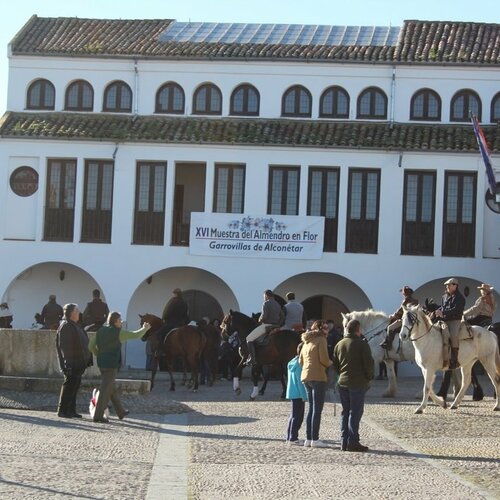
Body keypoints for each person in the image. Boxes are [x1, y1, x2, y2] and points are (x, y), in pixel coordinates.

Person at [89, 312, 151, 423]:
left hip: (102, 364)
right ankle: (97, 416)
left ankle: (120, 411)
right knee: (105, 391)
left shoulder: (100, 331)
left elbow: (90, 346)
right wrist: (144, 328)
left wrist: (98, 354)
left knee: (110, 387)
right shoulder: (119, 333)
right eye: (120, 319)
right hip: (111, 365)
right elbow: (135, 335)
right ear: (115, 321)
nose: (121, 321)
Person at [333, 318, 374, 452]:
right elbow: (368, 364)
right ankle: (353, 441)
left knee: (345, 412)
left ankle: (343, 441)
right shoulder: (362, 344)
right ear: (358, 330)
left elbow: (336, 365)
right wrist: (369, 377)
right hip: (357, 382)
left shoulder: (339, 344)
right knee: (355, 412)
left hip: (342, 382)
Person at [299, 320, 332, 448]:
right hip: (318, 376)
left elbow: (301, 361)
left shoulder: (306, 341)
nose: (327, 330)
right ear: (319, 329)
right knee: (317, 410)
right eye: (325, 328)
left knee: (311, 409)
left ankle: (308, 438)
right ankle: (315, 439)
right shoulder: (321, 339)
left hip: (306, 377)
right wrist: (331, 364)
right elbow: (324, 359)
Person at [55, 303, 92, 418]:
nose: (79, 313)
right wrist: (68, 364)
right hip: (72, 363)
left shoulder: (74, 325)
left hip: (79, 362)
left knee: (74, 386)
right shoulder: (66, 325)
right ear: (71, 313)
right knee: (69, 386)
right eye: (77, 311)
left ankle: (71, 410)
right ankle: (62, 410)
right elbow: (65, 347)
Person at [432, 278, 466, 370]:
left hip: (455, 320)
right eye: (446, 285)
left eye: (449, 285)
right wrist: (436, 312)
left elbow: (456, 310)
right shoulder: (444, 297)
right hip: (444, 320)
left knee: (453, 335)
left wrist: (443, 313)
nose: (447, 287)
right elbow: (442, 307)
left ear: (455, 286)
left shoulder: (460, 298)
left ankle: (454, 360)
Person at [245, 289, 284, 366]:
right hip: (275, 325)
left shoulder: (266, 303)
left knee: (249, 339)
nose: (264, 298)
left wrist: (259, 320)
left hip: (266, 325)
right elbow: (282, 317)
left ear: (266, 295)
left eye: (264, 296)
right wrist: (278, 325)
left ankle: (252, 359)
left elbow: (264, 316)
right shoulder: (277, 304)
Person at [380, 286, 419, 350]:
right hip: (414, 321)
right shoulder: (416, 301)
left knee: (389, 328)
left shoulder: (405, 300)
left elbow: (400, 311)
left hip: (405, 321)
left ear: (405, 294)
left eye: (403, 293)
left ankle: (388, 345)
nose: (402, 295)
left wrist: (392, 316)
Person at [285, 342, 308, 445]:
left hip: (292, 392)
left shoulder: (291, 362)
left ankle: (290, 436)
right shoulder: (299, 365)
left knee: (293, 415)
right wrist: (304, 396)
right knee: (298, 416)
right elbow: (300, 382)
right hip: (298, 393)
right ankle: (293, 437)